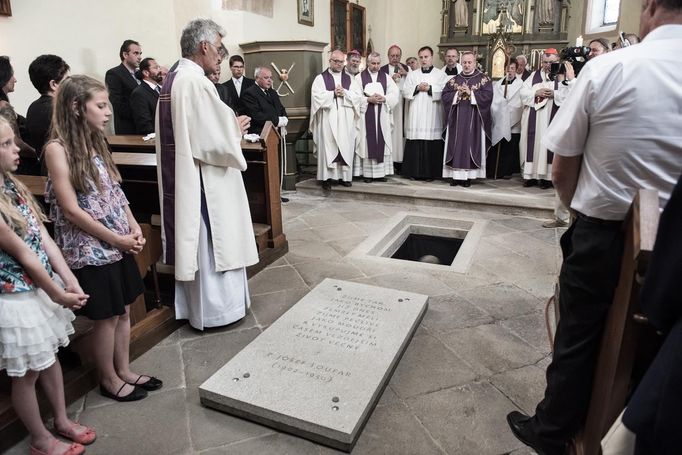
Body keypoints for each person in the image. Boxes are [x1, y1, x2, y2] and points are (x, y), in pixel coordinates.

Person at [505, 1, 682, 452]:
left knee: (579, 333)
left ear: (650, 8)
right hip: (677, 243)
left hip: (604, 232)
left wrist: (579, 212)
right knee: (660, 342)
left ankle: (553, 429)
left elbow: (563, 167)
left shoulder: (611, 68)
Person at [44, 75, 160, 402]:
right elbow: (71, 210)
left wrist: (132, 223)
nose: (107, 112)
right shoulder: (57, 149)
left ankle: (123, 370)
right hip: (89, 247)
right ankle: (108, 378)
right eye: (100, 105)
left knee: (123, 310)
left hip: (115, 240)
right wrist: (117, 238)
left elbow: (113, 189)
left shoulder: (94, 140)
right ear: (76, 107)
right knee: (105, 317)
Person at [0, 115, 95, 455]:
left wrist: (67, 277)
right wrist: (58, 294)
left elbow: (43, 237)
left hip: (39, 284)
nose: (17, 149)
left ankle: (61, 419)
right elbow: (23, 254)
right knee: (26, 372)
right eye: (6, 144)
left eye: (13, 140)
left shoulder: (11, 185)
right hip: (14, 296)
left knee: (50, 357)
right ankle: (39, 438)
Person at [157, 18, 258, 331]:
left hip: (191, 177)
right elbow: (211, 141)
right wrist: (234, 129)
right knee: (216, 242)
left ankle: (198, 308)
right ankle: (219, 312)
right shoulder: (195, 82)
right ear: (203, 46)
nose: (219, 56)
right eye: (217, 48)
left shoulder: (175, 78)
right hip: (206, 183)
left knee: (202, 244)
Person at [310, 49, 362, 190]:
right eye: (336, 61)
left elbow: (358, 97)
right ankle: (326, 178)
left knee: (345, 145)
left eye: (341, 62)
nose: (339, 64)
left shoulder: (350, 79)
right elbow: (316, 97)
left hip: (345, 119)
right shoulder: (320, 79)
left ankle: (344, 177)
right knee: (328, 147)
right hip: (327, 120)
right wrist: (332, 94)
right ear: (330, 61)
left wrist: (344, 93)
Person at [442, 51, 493, 187]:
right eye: (464, 62)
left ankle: (468, 177)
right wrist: (457, 94)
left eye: (469, 62)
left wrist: (471, 93)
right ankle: (454, 176)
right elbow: (445, 96)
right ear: (461, 62)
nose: (467, 65)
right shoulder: (454, 80)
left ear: (475, 63)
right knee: (455, 145)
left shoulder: (483, 79)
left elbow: (488, 97)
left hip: (474, 120)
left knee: (470, 145)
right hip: (456, 121)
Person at [402, 46, 446, 181]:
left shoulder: (440, 74)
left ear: (431, 57)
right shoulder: (413, 74)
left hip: (432, 115)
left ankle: (430, 174)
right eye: (421, 57)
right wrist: (416, 88)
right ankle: (413, 172)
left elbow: (445, 91)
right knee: (415, 142)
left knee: (431, 144)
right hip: (416, 115)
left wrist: (429, 88)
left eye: (426, 57)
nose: (423, 60)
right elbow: (405, 91)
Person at [519, 48, 560, 189]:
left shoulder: (563, 76)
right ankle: (530, 176)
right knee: (532, 145)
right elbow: (523, 92)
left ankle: (547, 178)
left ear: (558, 61)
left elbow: (571, 94)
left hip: (553, 117)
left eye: (551, 62)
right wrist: (536, 92)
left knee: (549, 146)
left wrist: (554, 94)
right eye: (545, 62)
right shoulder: (534, 76)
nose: (547, 65)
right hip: (534, 118)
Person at [355, 52, 398, 182]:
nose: (376, 66)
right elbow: (354, 97)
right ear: (367, 63)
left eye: (378, 63)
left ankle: (381, 173)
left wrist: (385, 98)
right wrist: (368, 99)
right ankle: (367, 175)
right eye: (373, 63)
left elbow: (394, 94)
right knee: (366, 142)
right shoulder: (359, 78)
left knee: (382, 140)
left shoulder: (386, 77)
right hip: (366, 115)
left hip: (382, 115)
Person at [25, 55, 70, 173]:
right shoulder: (62, 110)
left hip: (46, 172)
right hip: (68, 174)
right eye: (66, 80)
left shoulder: (32, 107)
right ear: (54, 84)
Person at [489, 61, 523, 179]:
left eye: (513, 68)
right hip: (499, 119)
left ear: (516, 70)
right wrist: (499, 108)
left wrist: (507, 110)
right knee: (498, 146)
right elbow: (493, 101)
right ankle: (495, 170)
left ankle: (506, 171)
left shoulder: (521, 84)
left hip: (513, 121)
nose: (510, 71)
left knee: (509, 148)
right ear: (504, 69)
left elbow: (520, 103)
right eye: (508, 68)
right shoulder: (497, 84)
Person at [380, 45, 409, 174]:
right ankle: (390, 161)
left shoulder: (406, 68)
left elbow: (413, 83)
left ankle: (401, 161)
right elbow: (378, 88)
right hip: (388, 107)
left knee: (402, 133)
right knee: (390, 133)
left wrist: (406, 75)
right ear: (388, 56)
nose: (395, 58)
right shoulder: (382, 70)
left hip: (403, 106)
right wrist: (390, 80)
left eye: (398, 55)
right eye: (392, 55)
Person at [105, 40, 142, 134]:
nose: (139, 57)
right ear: (125, 55)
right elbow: (118, 103)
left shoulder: (140, 74)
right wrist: (141, 114)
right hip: (129, 129)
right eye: (136, 53)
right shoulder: (114, 74)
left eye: (140, 54)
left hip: (144, 126)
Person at [241, 66, 288, 135]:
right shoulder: (249, 93)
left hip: (277, 133)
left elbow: (281, 108)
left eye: (270, 77)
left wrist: (285, 118)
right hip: (260, 134)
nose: (270, 80)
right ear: (257, 78)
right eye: (266, 78)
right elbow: (257, 115)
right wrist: (277, 121)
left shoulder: (273, 92)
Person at [129, 57, 162, 135]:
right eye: (155, 68)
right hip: (153, 140)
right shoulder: (139, 93)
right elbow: (144, 124)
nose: (159, 70)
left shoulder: (160, 89)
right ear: (146, 73)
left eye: (159, 67)